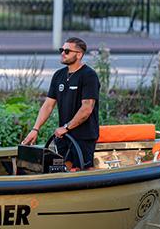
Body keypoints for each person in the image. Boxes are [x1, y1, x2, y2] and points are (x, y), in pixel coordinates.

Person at [20, 37, 100, 170]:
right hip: (63, 135)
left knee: (84, 171)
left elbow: (87, 109)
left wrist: (67, 127)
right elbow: (48, 105)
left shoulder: (89, 75)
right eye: (61, 50)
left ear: (79, 54)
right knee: (63, 170)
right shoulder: (58, 75)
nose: (63, 53)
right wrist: (35, 129)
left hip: (83, 136)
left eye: (67, 51)